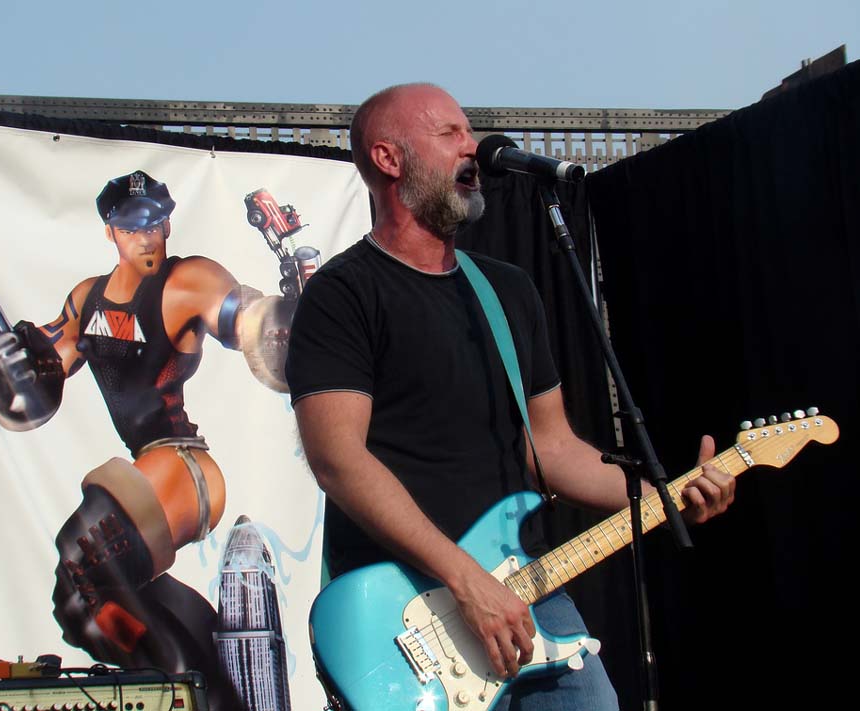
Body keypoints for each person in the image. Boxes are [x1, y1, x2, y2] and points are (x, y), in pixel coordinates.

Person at [284, 84, 735, 710]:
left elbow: (549, 448)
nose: (474, 147)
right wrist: (464, 580)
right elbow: (339, 460)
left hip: (523, 585)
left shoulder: (506, 291)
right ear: (389, 159)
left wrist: (670, 491)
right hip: (408, 612)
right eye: (449, 134)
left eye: (469, 132)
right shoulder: (344, 294)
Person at [0, 170, 291, 709]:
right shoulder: (87, 300)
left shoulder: (186, 280)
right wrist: (17, 362)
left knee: (83, 569)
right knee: (102, 600)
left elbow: (245, 320)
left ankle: (170, 695)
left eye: (157, 220)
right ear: (111, 232)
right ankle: (209, 687)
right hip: (150, 465)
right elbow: (42, 381)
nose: (148, 235)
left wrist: (282, 317)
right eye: (132, 224)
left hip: (182, 464)